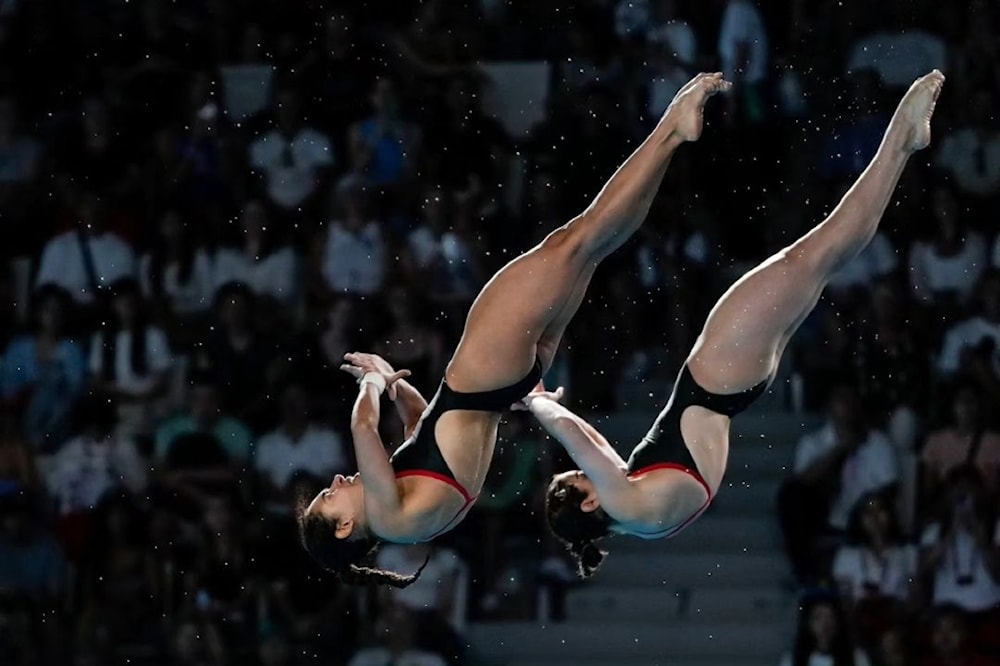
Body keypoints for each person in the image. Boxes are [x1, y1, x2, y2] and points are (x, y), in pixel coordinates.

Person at [298, 72, 734, 586]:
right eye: (331, 497)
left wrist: (398, 391)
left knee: (591, 247)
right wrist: (372, 379)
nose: (335, 481)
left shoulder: (411, 520)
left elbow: (430, 436)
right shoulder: (390, 517)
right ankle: (670, 129)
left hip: (503, 385)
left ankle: (672, 139)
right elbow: (362, 429)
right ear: (347, 526)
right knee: (579, 240)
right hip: (481, 374)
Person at [519, 70, 945, 578]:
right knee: (820, 252)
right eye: (581, 479)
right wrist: (537, 402)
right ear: (589, 504)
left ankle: (900, 145)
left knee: (820, 261)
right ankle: (900, 142)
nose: (591, 472)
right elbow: (581, 442)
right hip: (717, 375)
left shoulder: (638, 514)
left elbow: (599, 452)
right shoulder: (625, 503)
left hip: (733, 388)